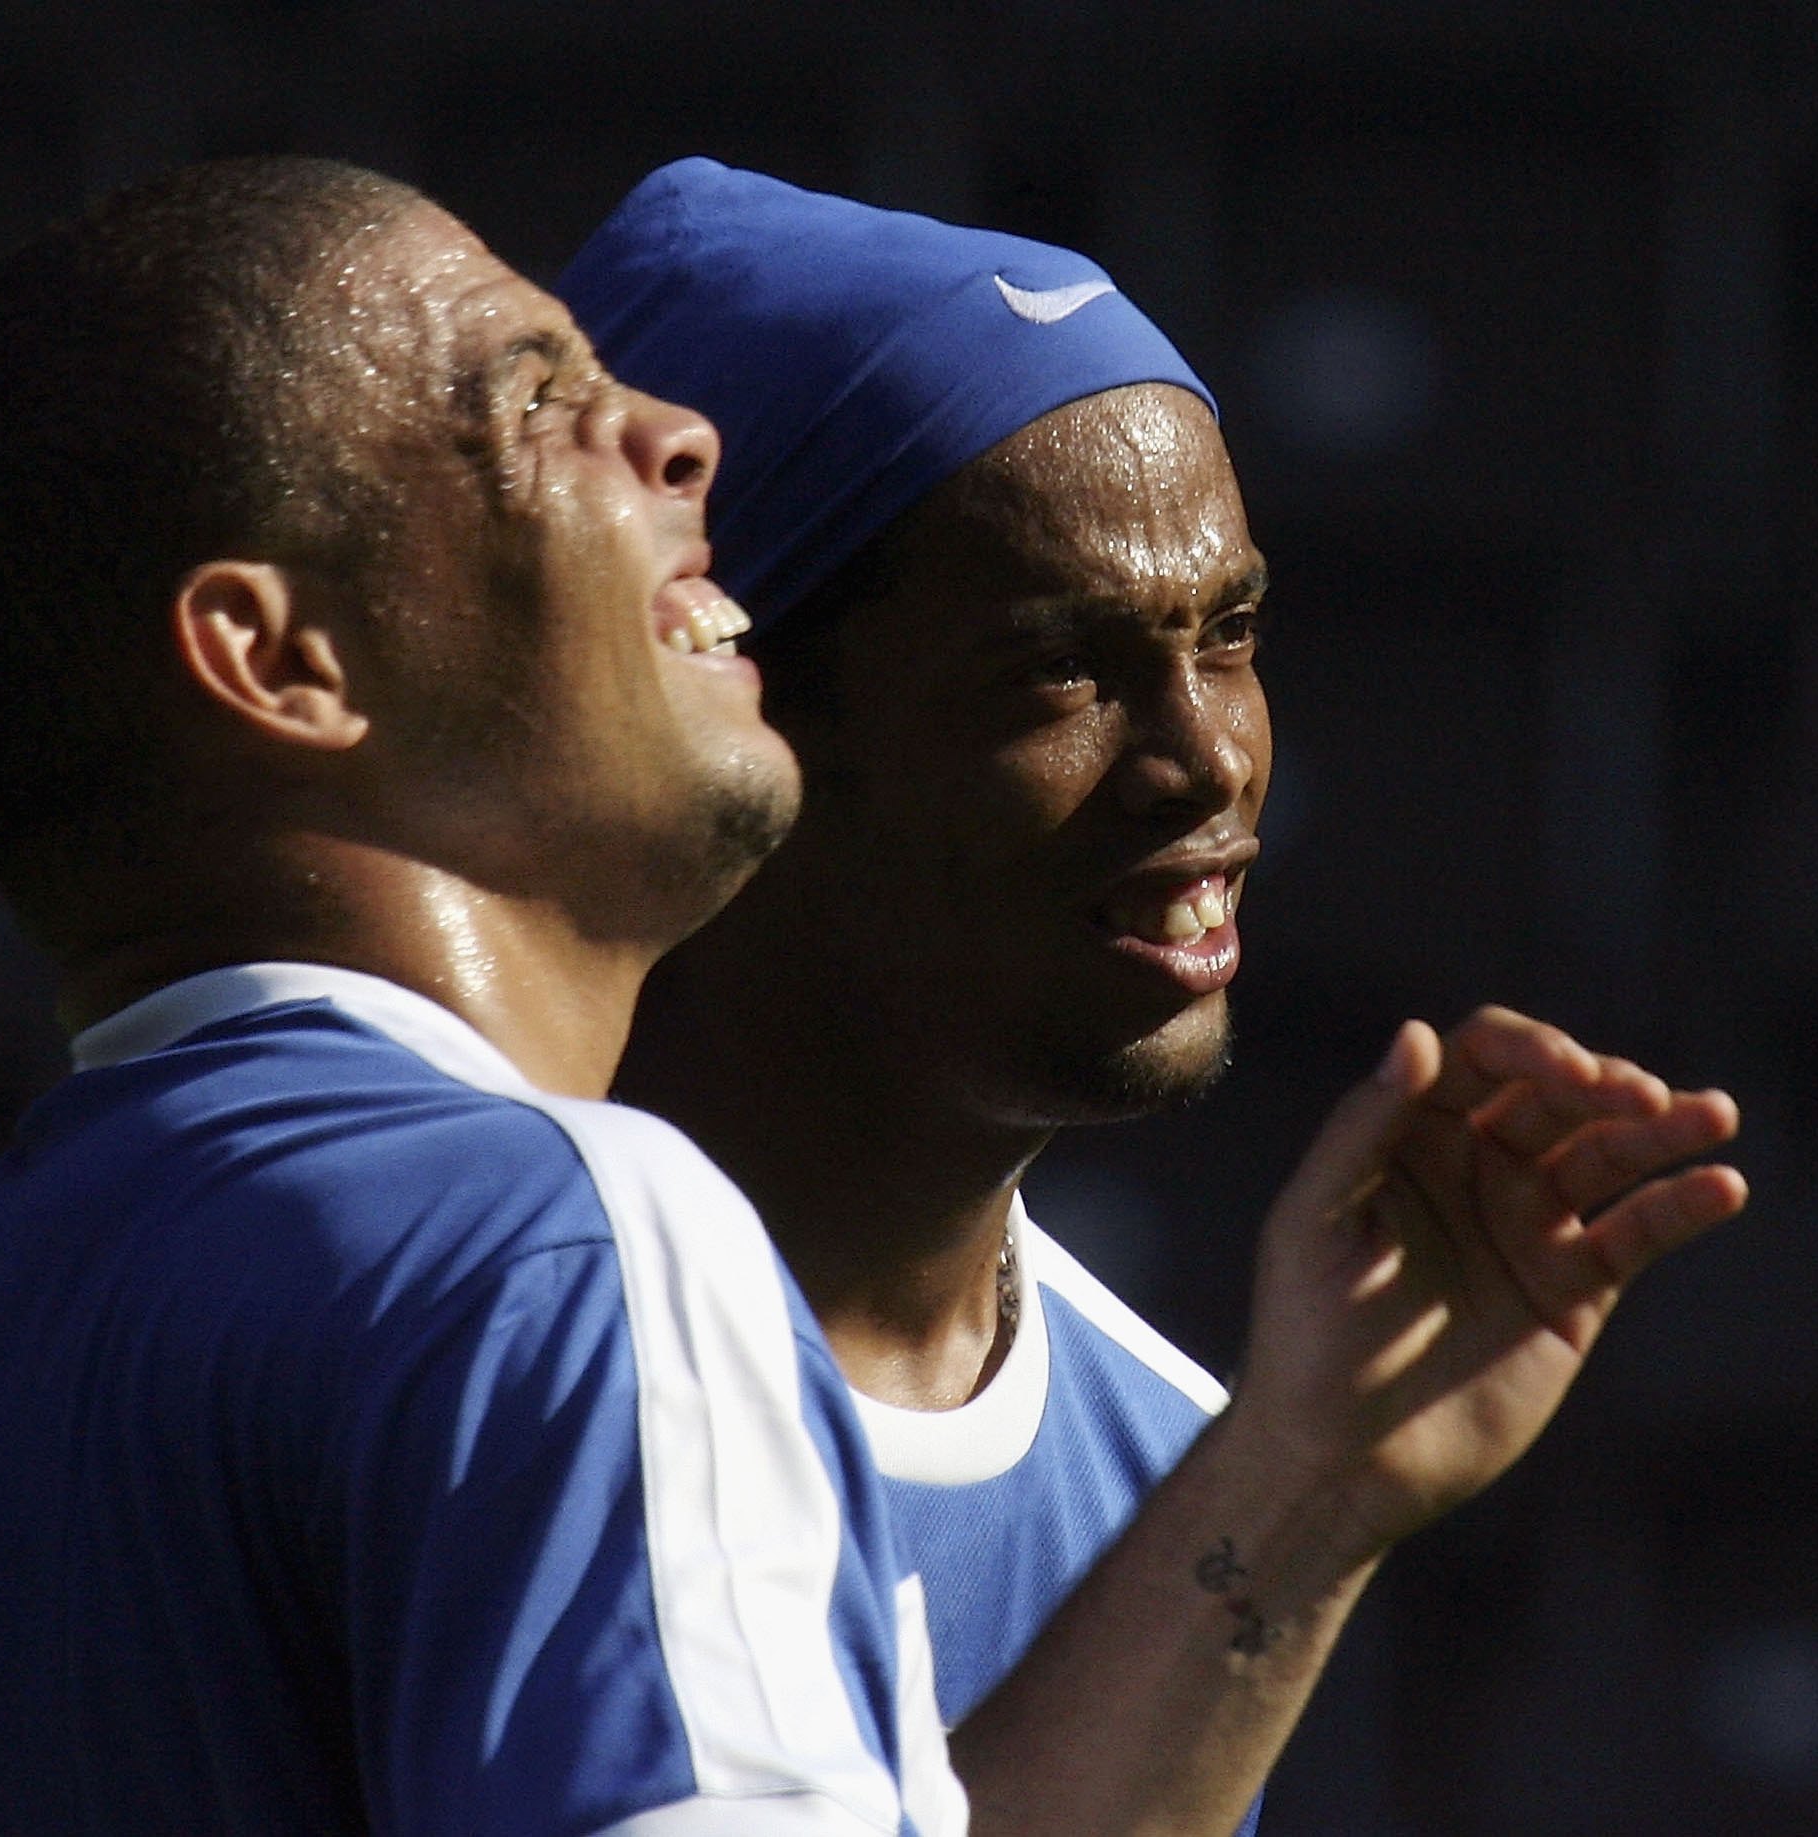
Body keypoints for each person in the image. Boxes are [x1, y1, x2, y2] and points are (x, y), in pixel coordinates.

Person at [0, 155, 968, 1835]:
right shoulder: (559, 1236)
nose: (680, 434)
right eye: (537, 404)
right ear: (280, 660)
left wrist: (1286, 1491)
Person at [567, 160, 1751, 1834]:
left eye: (1232, 633)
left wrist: (1306, 1485)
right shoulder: (462, 1338)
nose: (1207, 759)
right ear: (731, 703)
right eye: (1061, 666)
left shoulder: (1182, 1474)